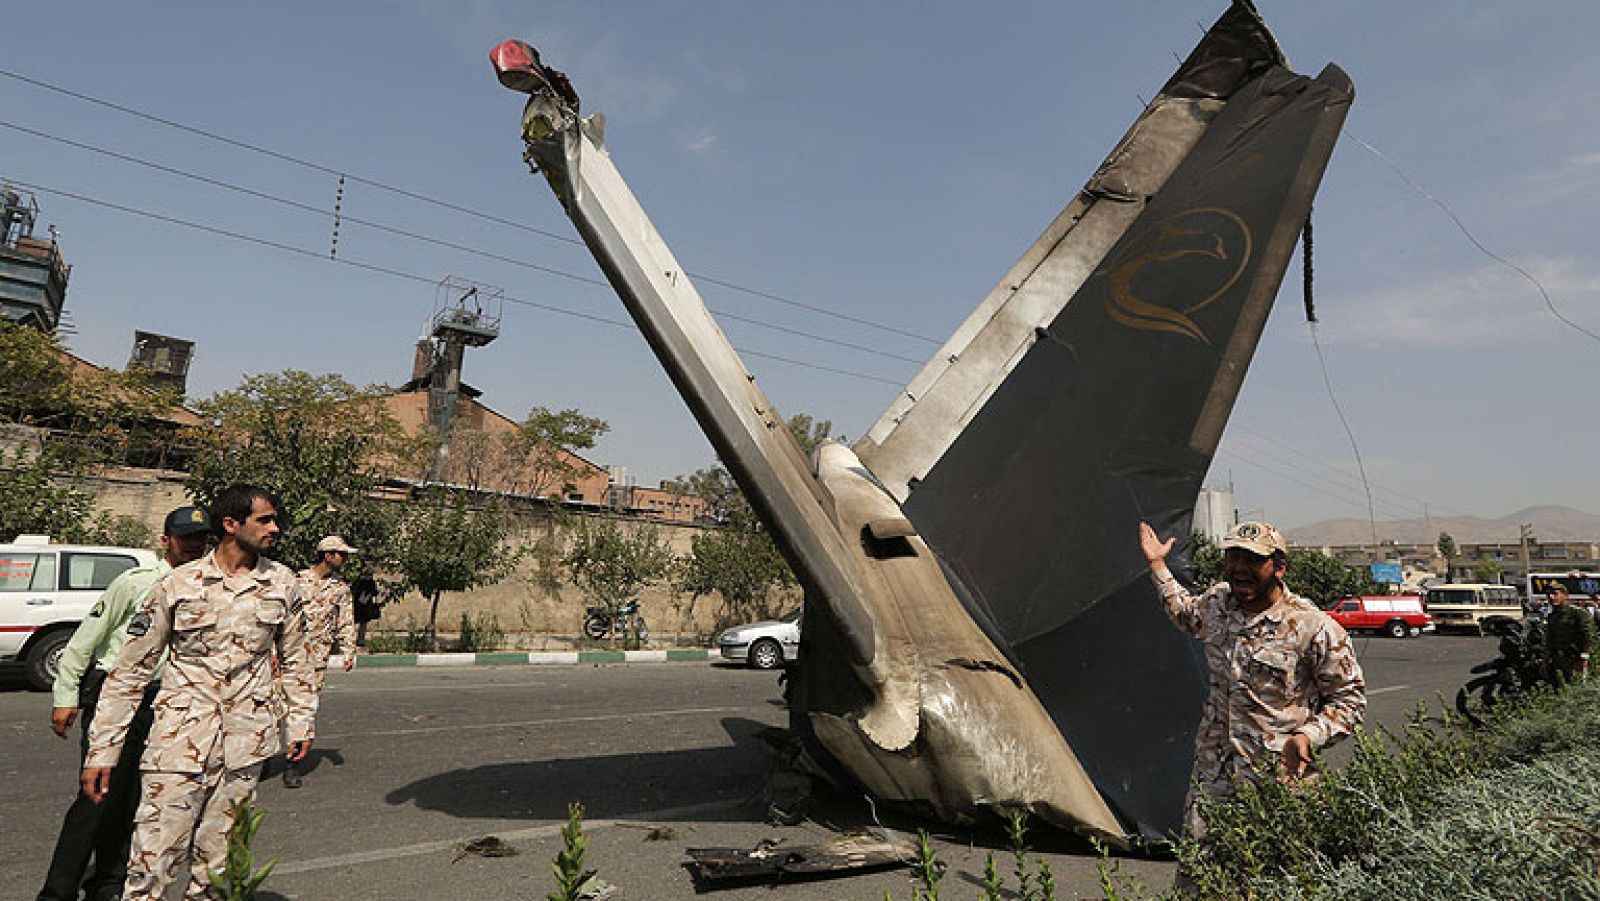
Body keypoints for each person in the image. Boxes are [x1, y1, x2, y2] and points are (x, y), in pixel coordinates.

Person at [82, 485, 319, 900]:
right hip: (177, 746)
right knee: (151, 865)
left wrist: (300, 723)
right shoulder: (177, 584)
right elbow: (129, 673)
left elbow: (298, 659)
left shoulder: (282, 583)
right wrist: (103, 750)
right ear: (231, 524)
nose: (275, 528)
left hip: (244, 749)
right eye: (265, 519)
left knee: (218, 871)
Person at [1138, 520, 1366, 842]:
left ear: (1279, 567)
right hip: (1213, 776)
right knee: (1201, 879)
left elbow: (1349, 700)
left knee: (1277, 881)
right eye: (1233, 558)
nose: (1240, 568)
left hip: (1279, 781)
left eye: (1254, 560)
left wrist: (1307, 736)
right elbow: (1184, 613)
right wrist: (1158, 565)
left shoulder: (1312, 626)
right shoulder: (1218, 603)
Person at [37, 506, 211, 901]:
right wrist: (65, 697)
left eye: (201, 539)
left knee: (138, 798)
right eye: (186, 538)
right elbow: (86, 639)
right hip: (117, 693)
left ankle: (108, 884)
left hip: (168, 703)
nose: (194, 545)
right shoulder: (136, 583)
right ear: (166, 541)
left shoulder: (207, 588)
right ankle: (57, 892)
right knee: (98, 795)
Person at [279, 535, 359, 788]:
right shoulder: (296, 580)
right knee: (271, 707)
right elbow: (279, 614)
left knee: (305, 710)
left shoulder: (341, 588)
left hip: (316, 659)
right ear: (327, 555)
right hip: (286, 654)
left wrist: (348, 651)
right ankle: (262, 757)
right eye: (341, 554)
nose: (345, 559)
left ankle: (292, 765)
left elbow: (345, 620)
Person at [1542, 584, 1594, 682]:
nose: (1551, 597)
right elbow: (1550, 641)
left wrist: (1584, 659)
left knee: (1576, 689)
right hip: (1557, 660)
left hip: (1575, 660)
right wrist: (1544, 662)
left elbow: (1588, 636)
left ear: (1565, 596)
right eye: (1548, 595)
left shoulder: (1578, 613)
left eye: (1555, 594)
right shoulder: (1552, 616)